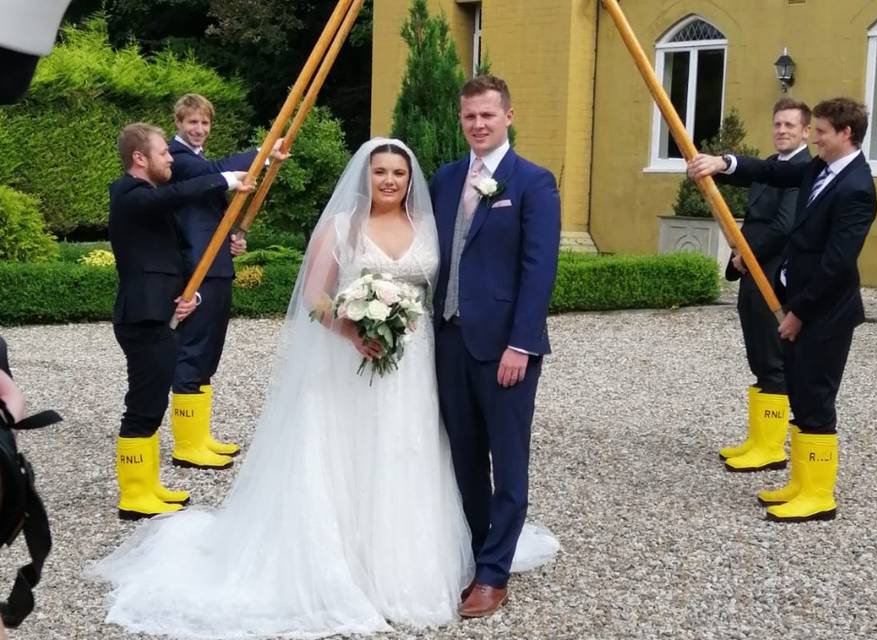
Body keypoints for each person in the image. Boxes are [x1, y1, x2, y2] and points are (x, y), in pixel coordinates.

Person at [90, 139, 553, 637]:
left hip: (414, 369)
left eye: (399, 172)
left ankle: (408, 563)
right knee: (348, 457)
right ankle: (345, 567)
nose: (390, 181)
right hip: (348, 364)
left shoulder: (429, 226)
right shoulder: (342, 226)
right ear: (365, 176)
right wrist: (352, 329)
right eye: (380, 172)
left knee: (410, 454)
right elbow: (315, 295)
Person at [688, 97, 877, 522]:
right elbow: (775, 170)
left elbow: (836, 264)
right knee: (799, 391)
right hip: (801, 303)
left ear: (846, 134)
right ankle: (799, 481)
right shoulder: (821, 170)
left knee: (816, 398)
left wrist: (799, 312)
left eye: (822, 132)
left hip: (825, 313)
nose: (816, 138)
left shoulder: (857, 188)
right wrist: (723, 163)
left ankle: (819, 495)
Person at [432, 75, 561, 616]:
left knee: (507, 461)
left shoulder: (532, 182)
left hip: (505, 348)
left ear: (509, 115)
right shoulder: (443, 179)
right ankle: (478, 549)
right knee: (463, 457)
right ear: (461, 120)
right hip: (449, 342)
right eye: (470, 117)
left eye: (488, 115)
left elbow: (539, 270)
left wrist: (522, 345)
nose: (479, 125)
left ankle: (493, 574)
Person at [108, 122, 251, 520]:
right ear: (140, 158)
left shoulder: (153, 199)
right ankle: (133, 495)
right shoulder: (127, 193)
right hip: (141, 316)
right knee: (142, 405)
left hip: (163, 313)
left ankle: (149, 484)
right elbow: (177, 194)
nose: (171, 157)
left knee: (151, 403)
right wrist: (222, 178)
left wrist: (193, 294)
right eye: (164, 153)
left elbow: (182, 253)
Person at [167, 93, 286, 470]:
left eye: (204, 124)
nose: (199, 130)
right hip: (196, 263)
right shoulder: (178, 160)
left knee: (210, 350)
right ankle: (186, 445)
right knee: (194, 348)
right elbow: (215, 173)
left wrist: (233, 235)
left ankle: (200, 436)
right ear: (178, 124)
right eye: (192, 123)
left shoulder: (197, 160)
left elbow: (212, 204)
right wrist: (263, 152)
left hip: (216, 261)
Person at [718, 98, 812, 473]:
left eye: (790, 125)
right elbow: (753, 219)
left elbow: (783, 226)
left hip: (773, 274)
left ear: (805, 130)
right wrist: (739, 259)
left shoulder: (803, 170)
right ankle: (759, 438)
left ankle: (772, 448)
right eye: (777, 124)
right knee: (758, 354)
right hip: (751, 272)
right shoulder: (769, 167)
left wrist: (748, 256)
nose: (782, 131)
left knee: (773, 358)